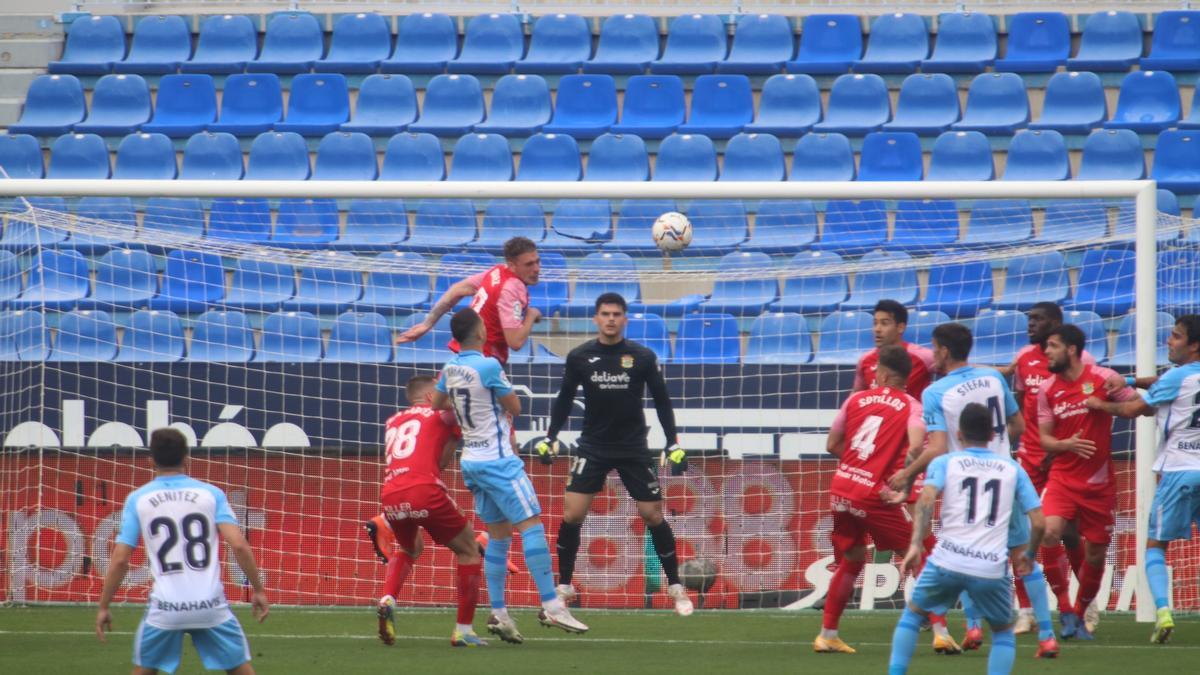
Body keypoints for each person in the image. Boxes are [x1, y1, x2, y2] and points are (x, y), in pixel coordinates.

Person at [433, 308, 587, 643]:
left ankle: (499, 613)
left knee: (499, 536)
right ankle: (551, 603)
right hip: (498, 460)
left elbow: (438, 402)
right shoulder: (489, 365)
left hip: (471, 460)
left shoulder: (450, 368)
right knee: (531, 524)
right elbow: (515, 407)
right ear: (478, 333)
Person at [534, 292, 693, 616]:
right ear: (596, 318)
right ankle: (565, 585)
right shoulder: (580, 357)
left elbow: (662, 401)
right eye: (605, 313)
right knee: (572, 515)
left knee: (653, 515)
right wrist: (550, 437)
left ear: (625, 319)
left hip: (633, 448)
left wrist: (672, 441)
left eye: (616, 314)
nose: (610, 319)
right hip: (593, 446)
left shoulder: (642, 357)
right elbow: (564, 399)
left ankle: (676, 586)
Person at [888, 403, 1046, 675]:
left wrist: (915, 544)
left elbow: (926, 499)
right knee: (1003, 632)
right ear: (992, 434)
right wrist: (1029, 554)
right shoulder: (1012, 468)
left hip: (946, 561)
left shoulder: (945, 462)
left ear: (959, 433)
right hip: (990, 567)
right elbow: (1040, 522)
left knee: (912, 615)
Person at [95, 428, 269, 675]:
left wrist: (104, 605)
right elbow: (239, 545)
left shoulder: (138, 499)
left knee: (145, 669)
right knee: (240, 669)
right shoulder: (211, 494)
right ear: (187, 458)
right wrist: (258, 590)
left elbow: (121, 560)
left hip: (166, 607)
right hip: (210, 604)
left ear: (151, 461)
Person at [1084, 314, 1200, 644]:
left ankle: (1163, 611)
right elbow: (1161, 387)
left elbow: (1134, 411)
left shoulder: (1177, 377)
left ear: (1194, 345)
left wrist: (1099, 404)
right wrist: (1132, 380)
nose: (1169, 341)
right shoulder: (1177, 378)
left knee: (1155, 546)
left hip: (1179, 470)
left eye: (1176, 337)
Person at [815, 344, 933, 654]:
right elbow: (916, 447)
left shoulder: (855, 399)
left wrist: (856, 467)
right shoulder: (911, 405)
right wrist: (904, 485)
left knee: (853, 558)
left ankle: (828, 634)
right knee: (916, 550)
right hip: (872, 493)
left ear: (882, 373)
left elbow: (832, 443)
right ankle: (940, 630)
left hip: (841, 487)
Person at [1002, 302, 1101, 633]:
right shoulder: (1024, 358)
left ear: (1056, 324)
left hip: (1061, 458)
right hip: (1030, 455)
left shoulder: (1079, 363)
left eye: (1038, 319)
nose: (1031, 325)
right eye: (1029, 319)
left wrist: (1061, 446)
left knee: (1067, 532)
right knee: (1018, 532)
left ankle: (1085, 606)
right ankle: (1027, 610)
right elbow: (1020, 404)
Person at [1036, 324, 1138, 641]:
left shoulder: (1101, 379)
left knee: (1095, 555)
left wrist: (1105, 404)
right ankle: (1065, 609)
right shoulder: (1047, 389)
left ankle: (1080, 616)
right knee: (1048, 531)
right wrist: (1066, 445)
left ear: (1070, 349)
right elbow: (1045, 439)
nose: (1047, 352)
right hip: (1063, 477)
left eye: (1052, 345)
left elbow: (1138, 407)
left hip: (1099, 484)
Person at [374, 375, 487, 648]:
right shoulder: (441, 414)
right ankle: (463, 630)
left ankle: (387, 598)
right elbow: (441, 464)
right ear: (429, 397)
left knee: (410, 548)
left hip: (390, 493)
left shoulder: (393, 421)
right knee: (469, 549)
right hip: (424, 490)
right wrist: (456, 434)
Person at [397, 236, 542, 366]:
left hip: (463, 354)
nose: (536, 269)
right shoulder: (511, 289)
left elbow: (457, 289)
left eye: (537, 262)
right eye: (529, 264)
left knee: (448, 394)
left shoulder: (496, 271)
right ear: (512, 265)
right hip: (484, 361)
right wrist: (531, 315)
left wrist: (427, 324)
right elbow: (515, 342)